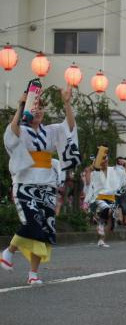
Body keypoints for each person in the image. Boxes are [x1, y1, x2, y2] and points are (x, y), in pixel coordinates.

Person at [1, 85, 79, 285]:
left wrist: (67, 103)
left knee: (43, 230)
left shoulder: (51, 131)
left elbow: (69, 127)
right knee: (31, 222)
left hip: (46, 186)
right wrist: (20, 105)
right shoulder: (23, 131)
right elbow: (12, 131)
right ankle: (9, 252)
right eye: (33, 106)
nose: (37, 110)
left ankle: (33, 274)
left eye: (40, 107)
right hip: (26, 184)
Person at [85, 146, 126, 248]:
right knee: (107, 211)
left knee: (111, 221)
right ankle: (100, 224)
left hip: (111, 197)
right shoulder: (95, 172)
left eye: (105, 158)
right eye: (102, 158)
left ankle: (102, 240)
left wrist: (124, 165)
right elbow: (88, 183)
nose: (104, 160)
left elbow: (123, 179)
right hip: (99, 197)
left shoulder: (114, 170)